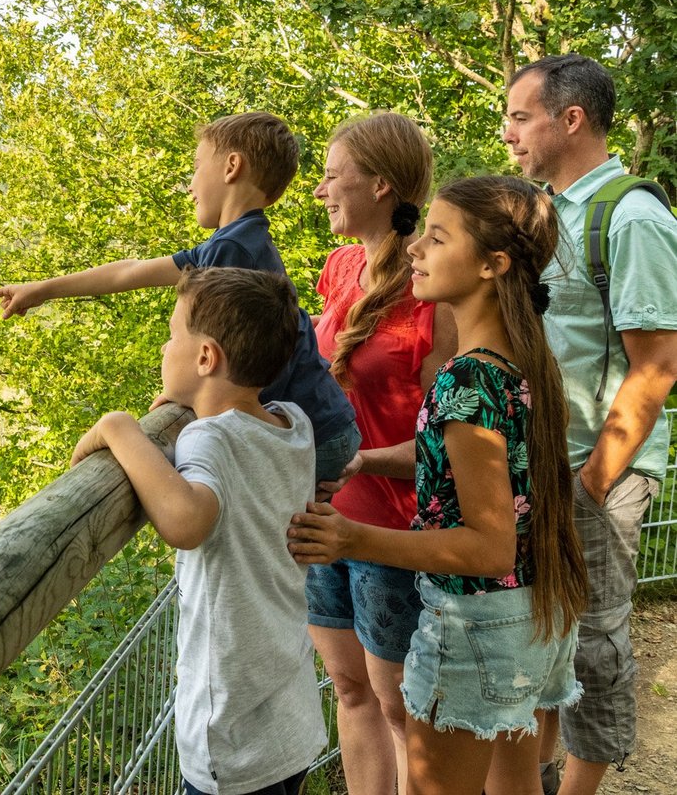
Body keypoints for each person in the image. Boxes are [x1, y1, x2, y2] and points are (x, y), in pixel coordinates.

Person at [289, 176, 590, 795]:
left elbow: (486, 545)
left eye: (437, 237)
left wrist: (352, 539)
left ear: (492, 265)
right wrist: (367, 461)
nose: (416, 249)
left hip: (476, 627)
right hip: (533, 613)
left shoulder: (463, 382)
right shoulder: (522, 361)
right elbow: (468, 471)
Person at [0, 111, 361, 484]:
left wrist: (188, 393)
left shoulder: (234, 256)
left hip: (315, 429)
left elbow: (239, 360)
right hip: (321, 424)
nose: (191, 184)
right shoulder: (231, 244)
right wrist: (40, 290)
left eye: (197, 167)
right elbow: (131, 270)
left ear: (232, 167)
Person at [71, 267, 325, 795]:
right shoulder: (293, 425)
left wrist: (121, 428)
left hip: (232, 731)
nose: (166, 349)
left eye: (172, 336)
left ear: (206, 358)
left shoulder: (210, 439)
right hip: (288, 710)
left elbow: (187, 521)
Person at [503, 54, 677, 795]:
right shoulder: (543, 211)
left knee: (596, 648)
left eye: (519, 116)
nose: (508, 132)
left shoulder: (633, 218)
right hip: (542, 468)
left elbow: (659, 365)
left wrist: (591, 482)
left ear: (569, 120)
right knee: (542, 636)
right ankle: (539, 776)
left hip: (598, 476)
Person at [307, 112, 457, 795]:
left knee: (401, 708)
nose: (319, 191)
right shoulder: (339, 268)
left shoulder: (435, 291)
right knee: (348, 688)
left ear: (380, 185)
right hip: (319, 520)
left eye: (332, 176)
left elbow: (450, 446)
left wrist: (364, 462)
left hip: (391, 532)